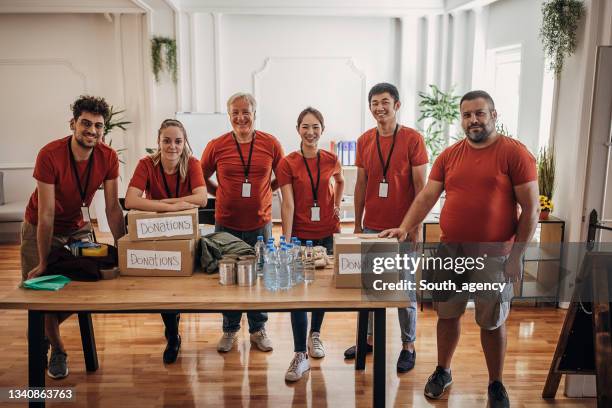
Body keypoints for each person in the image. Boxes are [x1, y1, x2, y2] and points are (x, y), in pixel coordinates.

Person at [381, 90, 539, 407]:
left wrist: (516, 258)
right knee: (448, 315)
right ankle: (443, 370)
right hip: (450, 252)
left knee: (492, 321)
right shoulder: (450, 155)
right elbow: (427, 196)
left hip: (495, 256)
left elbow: (532, 210)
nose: (473, 120)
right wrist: (406, 225)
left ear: (494, 115)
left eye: (480, 113)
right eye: (467, 115)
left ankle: (496, 383)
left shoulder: (514, 153)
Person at [21, 95, 126, 379]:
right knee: (41, 293)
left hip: (76, 229)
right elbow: (45, 215)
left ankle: (44, 332)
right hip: (39, 228)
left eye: (98, 126)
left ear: (104, 129)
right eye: (85, 123)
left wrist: (125, 251)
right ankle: (57, 349)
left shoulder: (108, 157)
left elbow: (113, 208)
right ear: (73, 124)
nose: (92, 130)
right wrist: (43, 262)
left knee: (86, 283)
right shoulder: (50, 154)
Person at [344, 83, 428, 373]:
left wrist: (415, 228)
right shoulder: (364, 140)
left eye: (385, 102)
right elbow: (361, 185)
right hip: (371, 227)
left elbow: (422, 188)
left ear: (397, 105)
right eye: (374, 103)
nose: (379, 108)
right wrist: (356, 223)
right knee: (369, 290)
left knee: (404, 290)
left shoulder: (413, 139)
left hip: (403, 229)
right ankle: (366, 340)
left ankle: (408, 345)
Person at [201, 92, 284, 353]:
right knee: (229, 279)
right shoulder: (217, 145)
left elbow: (283, 175)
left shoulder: (271, 143)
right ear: (229, 116)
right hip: (226, 223)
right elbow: (200, 175)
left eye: (246, 111)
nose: (241, 117)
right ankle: (230, 330)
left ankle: (258, 330)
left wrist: (265, 191)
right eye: (235, 112)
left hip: (261, 224)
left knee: (259, 277)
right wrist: (219, 192)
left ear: (254, 113)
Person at [124, 118, 207, 364]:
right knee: (165, 281)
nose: (172, 146)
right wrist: (176, 205)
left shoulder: (192, 163)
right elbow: (130, 200)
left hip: (184, 231)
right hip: (157, 231)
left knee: (183, 280)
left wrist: (161, 205)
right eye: (167, 141)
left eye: (178, 141)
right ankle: (173, 335)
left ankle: (175, 321)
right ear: (158, 142)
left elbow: (201, 199)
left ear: (185, 142)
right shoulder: (146, 164)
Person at [277, 107, 345, 381]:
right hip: (301, 235)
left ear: (322, 129)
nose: (310, 132)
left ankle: (315, 334)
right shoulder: (288, 163)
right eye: (305, 126)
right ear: (298, 130)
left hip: (328, 232)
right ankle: (299, 354)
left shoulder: (331, 159)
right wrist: (288, 240)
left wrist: (337, 204)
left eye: (315, 126)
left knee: (321, 292)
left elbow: (340, 182)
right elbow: (288, 204)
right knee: (298, 294)